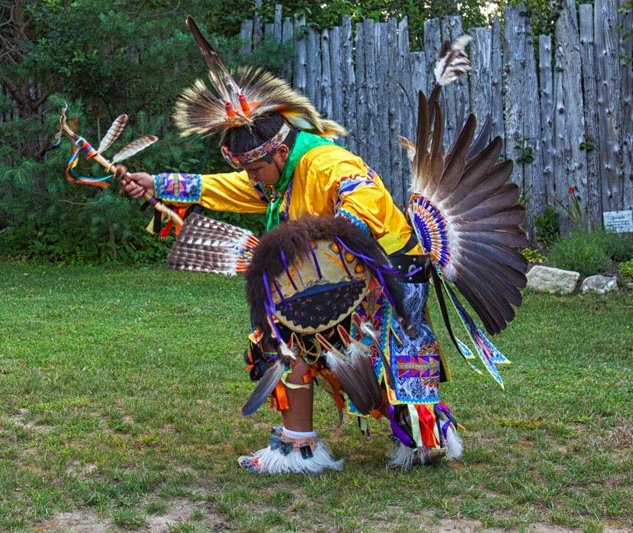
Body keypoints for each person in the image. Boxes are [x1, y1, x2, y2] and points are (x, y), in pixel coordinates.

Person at [122, 82, 461, 474]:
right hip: (338, 272)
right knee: (289, 340)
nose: (253, 179)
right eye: (248, 171)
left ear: (280, 151)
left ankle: (426, 437)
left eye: (255, 169)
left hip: (389, 268)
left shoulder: (326, 163)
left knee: (393, 358)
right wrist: (159, 184)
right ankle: (297, 446)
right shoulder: (279, 176)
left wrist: (325, 238)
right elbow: (235, 187)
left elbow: (365, 196)